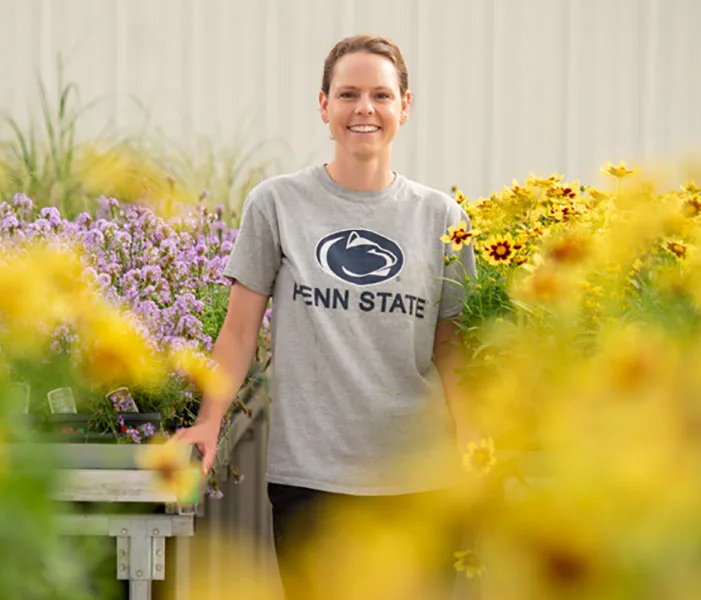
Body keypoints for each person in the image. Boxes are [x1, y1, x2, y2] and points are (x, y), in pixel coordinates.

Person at [173, 34, 478, 599]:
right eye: (348, 94)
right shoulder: (277, 204)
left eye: (381, 96)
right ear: (324, 106)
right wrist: (209, 420)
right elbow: (240, 331)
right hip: (310, 478)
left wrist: (476, 437)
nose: (365, 109)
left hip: (419, 480)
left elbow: (451, 346)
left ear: (404, 108)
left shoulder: (441, 216)